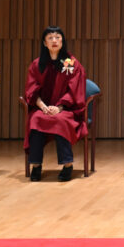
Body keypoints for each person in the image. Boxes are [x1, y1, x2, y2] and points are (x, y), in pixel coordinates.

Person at [23, 26, 87, 182]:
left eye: (58, 37)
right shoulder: (37, 64)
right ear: (44, 43)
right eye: (50, 38)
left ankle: (67, 164)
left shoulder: (70, 63)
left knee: (60, 120)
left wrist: (59, 107)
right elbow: (31, 90)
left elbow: (75, 89)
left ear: (62, 41)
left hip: (66, 109)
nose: (54, 41)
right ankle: (36, 165)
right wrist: (43, 106)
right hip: (43, 108)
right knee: (36, 119)